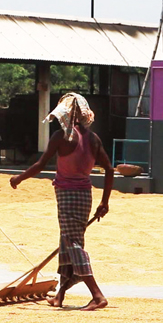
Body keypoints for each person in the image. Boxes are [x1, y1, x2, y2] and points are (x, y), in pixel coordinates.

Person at [9, 93, 114, 311]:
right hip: (85, 196)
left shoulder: (61, 137)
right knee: (67, 242)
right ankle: (60, 296)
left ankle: (97, 295)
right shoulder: (93, 139)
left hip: (67, 195)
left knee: (73, 243)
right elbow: (110, 170)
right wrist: (104, 202)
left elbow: (40, 165)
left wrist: (18, 178)